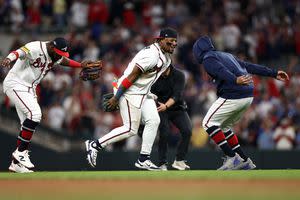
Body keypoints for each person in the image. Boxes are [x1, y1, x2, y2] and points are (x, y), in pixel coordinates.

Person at [85, 27, 178, 170]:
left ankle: (143, 159)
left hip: (141, 92)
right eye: (170, 41)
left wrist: (149, 93)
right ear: (160, 40)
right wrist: (117, 97)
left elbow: (148, 78)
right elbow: (131, 77)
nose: (173, 44)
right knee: (130, 129)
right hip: (128, 90)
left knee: (154, 120)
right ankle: (95, 144)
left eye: (175, 42)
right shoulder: (152, 56)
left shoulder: (165, 57)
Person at [192, 36, 289, 170]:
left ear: (197, 51)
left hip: (234, 93)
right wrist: (273, 73)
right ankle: (244, 160)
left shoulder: (207, 58)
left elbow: (220, 70)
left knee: (208, 123)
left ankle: (232, 157)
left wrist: (234, 80)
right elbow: (249, 66)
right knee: (224, 127)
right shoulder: (226, 55)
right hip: (247, 96)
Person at [0, 37, 95, 173]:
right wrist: (9, 59)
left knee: (26, 124)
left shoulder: (55, 55)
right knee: (35, 114)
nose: (59, 56)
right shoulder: (35, 47)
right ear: (51, 47)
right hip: (16, 83)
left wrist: (80, 65)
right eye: (58, 53)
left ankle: (16, 164)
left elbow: (64, 61)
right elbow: (19, 52)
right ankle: (21, 152)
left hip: (29, 88)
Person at [150, 64, 192, 170]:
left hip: (177, 107)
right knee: (164, 132)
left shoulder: (179, 75)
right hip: (160, 108)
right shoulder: (154, 76)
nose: (158, 70)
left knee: (187, 130)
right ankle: (162, 163)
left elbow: (177, 94)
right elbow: (150, 94)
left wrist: (166, 105)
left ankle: (179, 160)